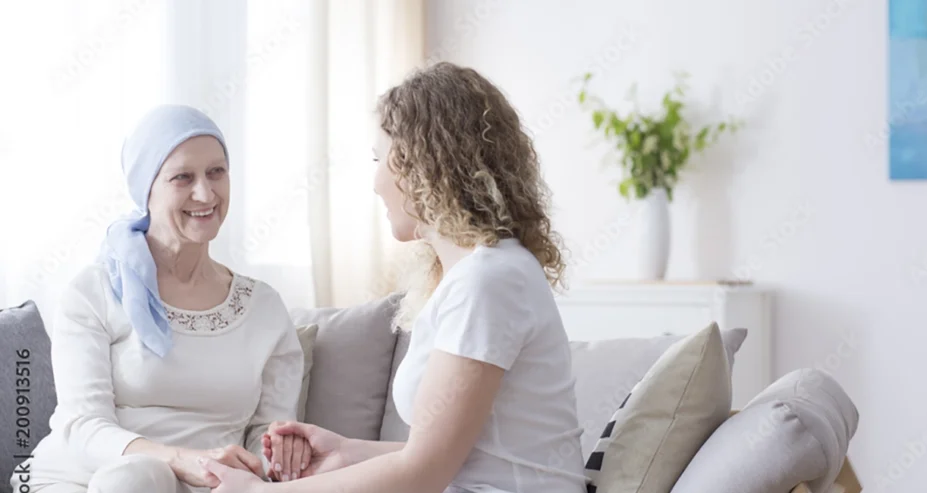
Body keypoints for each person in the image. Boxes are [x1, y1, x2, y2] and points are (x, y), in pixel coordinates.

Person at [200, 62, 589, 493]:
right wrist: (348, 451)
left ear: (422, 165)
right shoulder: (475, 276)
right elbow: (455, 456)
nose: (375, 182)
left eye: (378, 159)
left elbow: (424, 474)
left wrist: (258, 492)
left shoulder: (489, 281)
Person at [10, 105, 309, 493]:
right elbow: (82, 426)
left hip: (208, 485)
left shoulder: (263, 308)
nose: (205, 192)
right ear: (145, 189)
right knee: (138, 478)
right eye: (183, 177)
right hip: (79, 480)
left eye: (216, 172)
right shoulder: (93, 292)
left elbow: (265, 440)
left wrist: (280, 454)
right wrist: (182, 460)